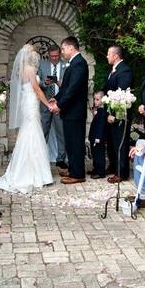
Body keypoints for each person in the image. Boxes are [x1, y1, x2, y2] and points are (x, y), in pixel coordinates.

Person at [0, 47, 55, 193]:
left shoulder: (21, 70)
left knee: (29, 132)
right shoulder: (30, 69)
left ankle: (32, 170)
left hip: (27, 102)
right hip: (31, 102)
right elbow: (37, 89)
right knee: (33, 132)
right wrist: (48, 104)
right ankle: (35, 174)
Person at [52, 37, 90, 184]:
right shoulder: (74, 63)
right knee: (70, 142)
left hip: (75, 112)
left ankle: (78, 174)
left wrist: (59, 105)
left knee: (76, 143)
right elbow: (65, 88)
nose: (62, 52)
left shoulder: (80, 63)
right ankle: (73, 169)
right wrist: (56, 98)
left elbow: (73, 90)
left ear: (71, 48)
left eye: (63, 49)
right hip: (70, 112)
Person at [104, 45, 134, 184]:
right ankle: (114, 167)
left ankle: (122, 172)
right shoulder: (114, 70)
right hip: (112, 112)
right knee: (112, 142)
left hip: (121, 114)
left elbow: (121, 95)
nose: (107, 56)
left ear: (116, 56)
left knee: (120, 142)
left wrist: (115, 115)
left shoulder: (124, 71)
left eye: (109, 54)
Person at [38, 45, 68, 168]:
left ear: (60, 54)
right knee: (42, 132)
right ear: (48, 55)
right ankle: (40, 158)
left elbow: (67, 85)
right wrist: (44, 83)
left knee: (61, 132)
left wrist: (59, 82)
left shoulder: (66, 66)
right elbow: (37, 82)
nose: (54, 58)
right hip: (45, 104)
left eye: (56, 56)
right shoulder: (42, 65)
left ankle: (61, 159)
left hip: (59, 104)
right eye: (52, 56)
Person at [88, 91, 108, 178]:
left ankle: (101, 172)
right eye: (94, 99)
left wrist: (98, 137)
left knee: (99, 154)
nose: (95, 101)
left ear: (102, 100)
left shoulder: (102, 111)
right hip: (94, 136)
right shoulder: (98, 110)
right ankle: (96, 169)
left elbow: (101, 126)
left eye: (97, 99)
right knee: (95, 153)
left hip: (98, 137)